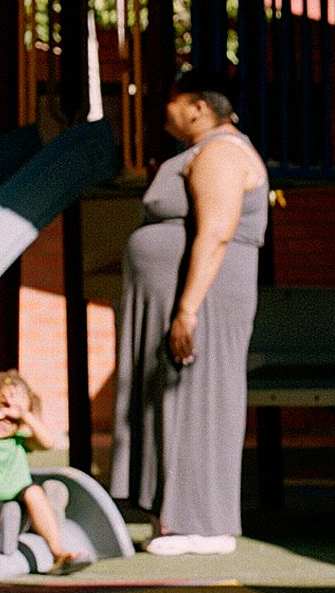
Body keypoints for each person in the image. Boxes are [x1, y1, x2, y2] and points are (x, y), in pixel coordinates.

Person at [109, 74, 269, 555]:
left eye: (173, 101)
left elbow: (217, 230)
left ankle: (204, 525)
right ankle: (174, 516)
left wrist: (187, 310)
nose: (165, 109)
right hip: (183, 295)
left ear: (199, 107)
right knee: (174, 399)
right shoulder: (204, 149)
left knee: (200, 397)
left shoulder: (221, 151)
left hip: (205, 297)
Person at [0, 371, 87, 569]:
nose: (8, 416)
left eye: (15, 415)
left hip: (17, 508)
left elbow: (48, 443)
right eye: (2, 406)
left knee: (34, 491)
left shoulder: (19, 441)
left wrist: (26, 414)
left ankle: (58, 553)